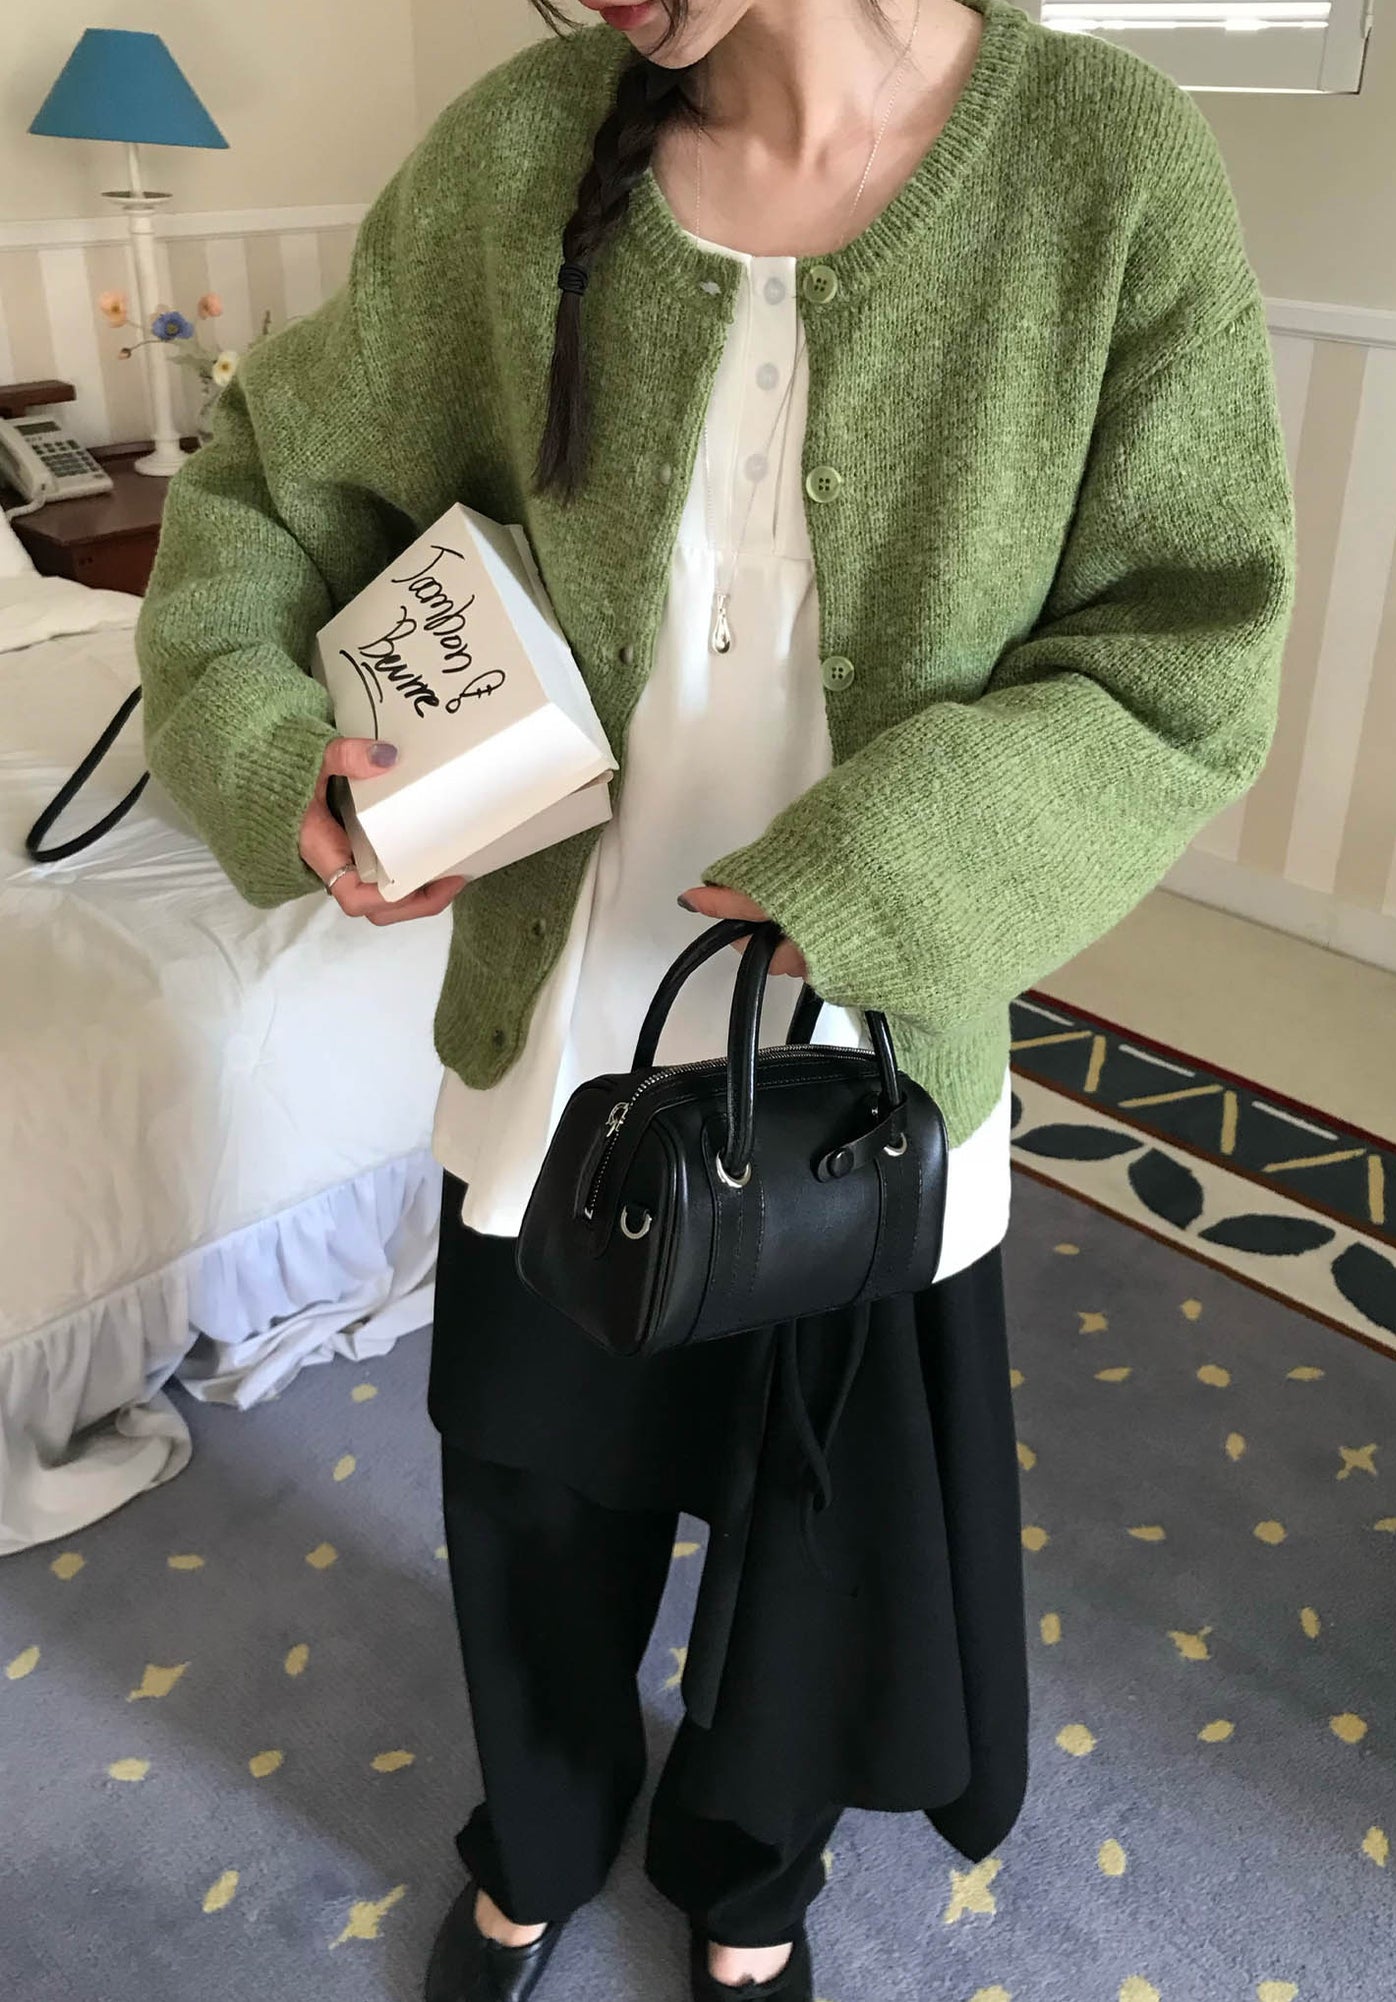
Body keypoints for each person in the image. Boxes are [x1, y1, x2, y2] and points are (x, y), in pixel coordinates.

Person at [133, 0, 1297, 1995]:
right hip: (561, 1027)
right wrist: (267, 740)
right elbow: (265, 493)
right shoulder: (518, 155)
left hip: (871, 1051)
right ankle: (541, 1834)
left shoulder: (1102, 168)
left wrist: (885, 869)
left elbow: (1187, 654)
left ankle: (749, 1879)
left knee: (809, 1524)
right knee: (533, 1491)